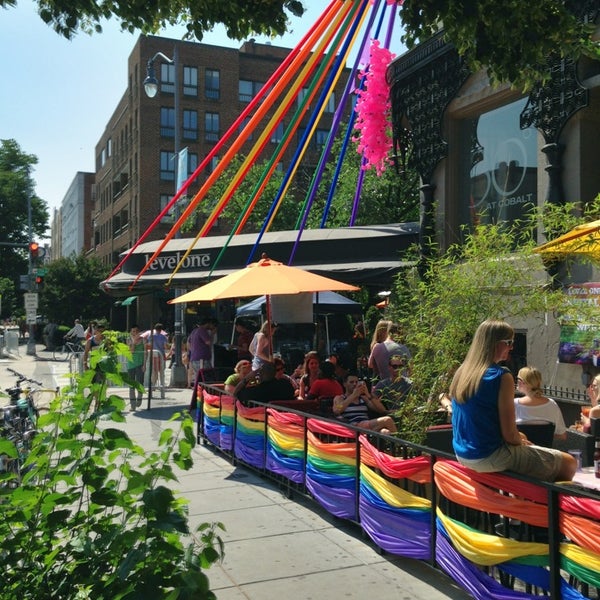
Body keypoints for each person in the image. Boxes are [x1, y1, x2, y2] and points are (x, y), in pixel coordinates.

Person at [450, 319, 576, 482]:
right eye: (509, 342)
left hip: (463, 454)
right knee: (569, 463)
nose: (512, 347)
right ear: (495, 344)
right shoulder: (502, 376)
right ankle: (540, 507)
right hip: (490, 456)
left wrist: (519, 437)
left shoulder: (462, 372)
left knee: (524, 444)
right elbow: (509, 435)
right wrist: (521, 442)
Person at [333, 372, 397, 433]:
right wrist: (353, 396)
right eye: (351, 382)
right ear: (344, 384)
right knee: (387, 420)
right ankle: (401, 445)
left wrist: (367, 394)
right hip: (354, 426)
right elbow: (337, 410)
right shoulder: (340, 398)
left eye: (356, 382)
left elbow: (381, 410)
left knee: (385, 432)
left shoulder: (363, 398)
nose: (354, 384)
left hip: (366, 425)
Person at [514, 366, 567, 441]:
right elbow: (562, 435)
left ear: (522, 382)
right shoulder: (552, 404)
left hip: (521, 451)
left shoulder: (514, 404)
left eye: (518, 379)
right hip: (544, 451)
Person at [145, 323, 168, 398]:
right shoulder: (163, 337)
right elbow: (165, 346)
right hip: (161, 355)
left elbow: (148, 344)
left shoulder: (151, 336)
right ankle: (162, 386)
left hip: (153, 355)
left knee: (153, 371)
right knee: (161, 371)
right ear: (161, 329)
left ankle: (153, 386)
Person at [187, 319, 214, 384]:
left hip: (194, 358)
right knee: (206, 377)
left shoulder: (194, 331)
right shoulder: (202, 330)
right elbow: (208, 342)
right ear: (207, 324)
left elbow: (188, 342)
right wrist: (212, 334)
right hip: (202, 359)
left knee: (198, 376)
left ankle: (198, 391)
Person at [127, 325, 145, 410]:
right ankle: (132, 405)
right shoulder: (129, 340)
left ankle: (139, 398)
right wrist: (133, 342)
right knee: (131, 385)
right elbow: (131, 351)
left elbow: (146, 353)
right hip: (131, 364)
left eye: (136, 331)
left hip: (140, 363)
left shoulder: (143, 340)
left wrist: (144, 364)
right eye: (133, 331)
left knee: (140, 383)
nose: (134, 333)